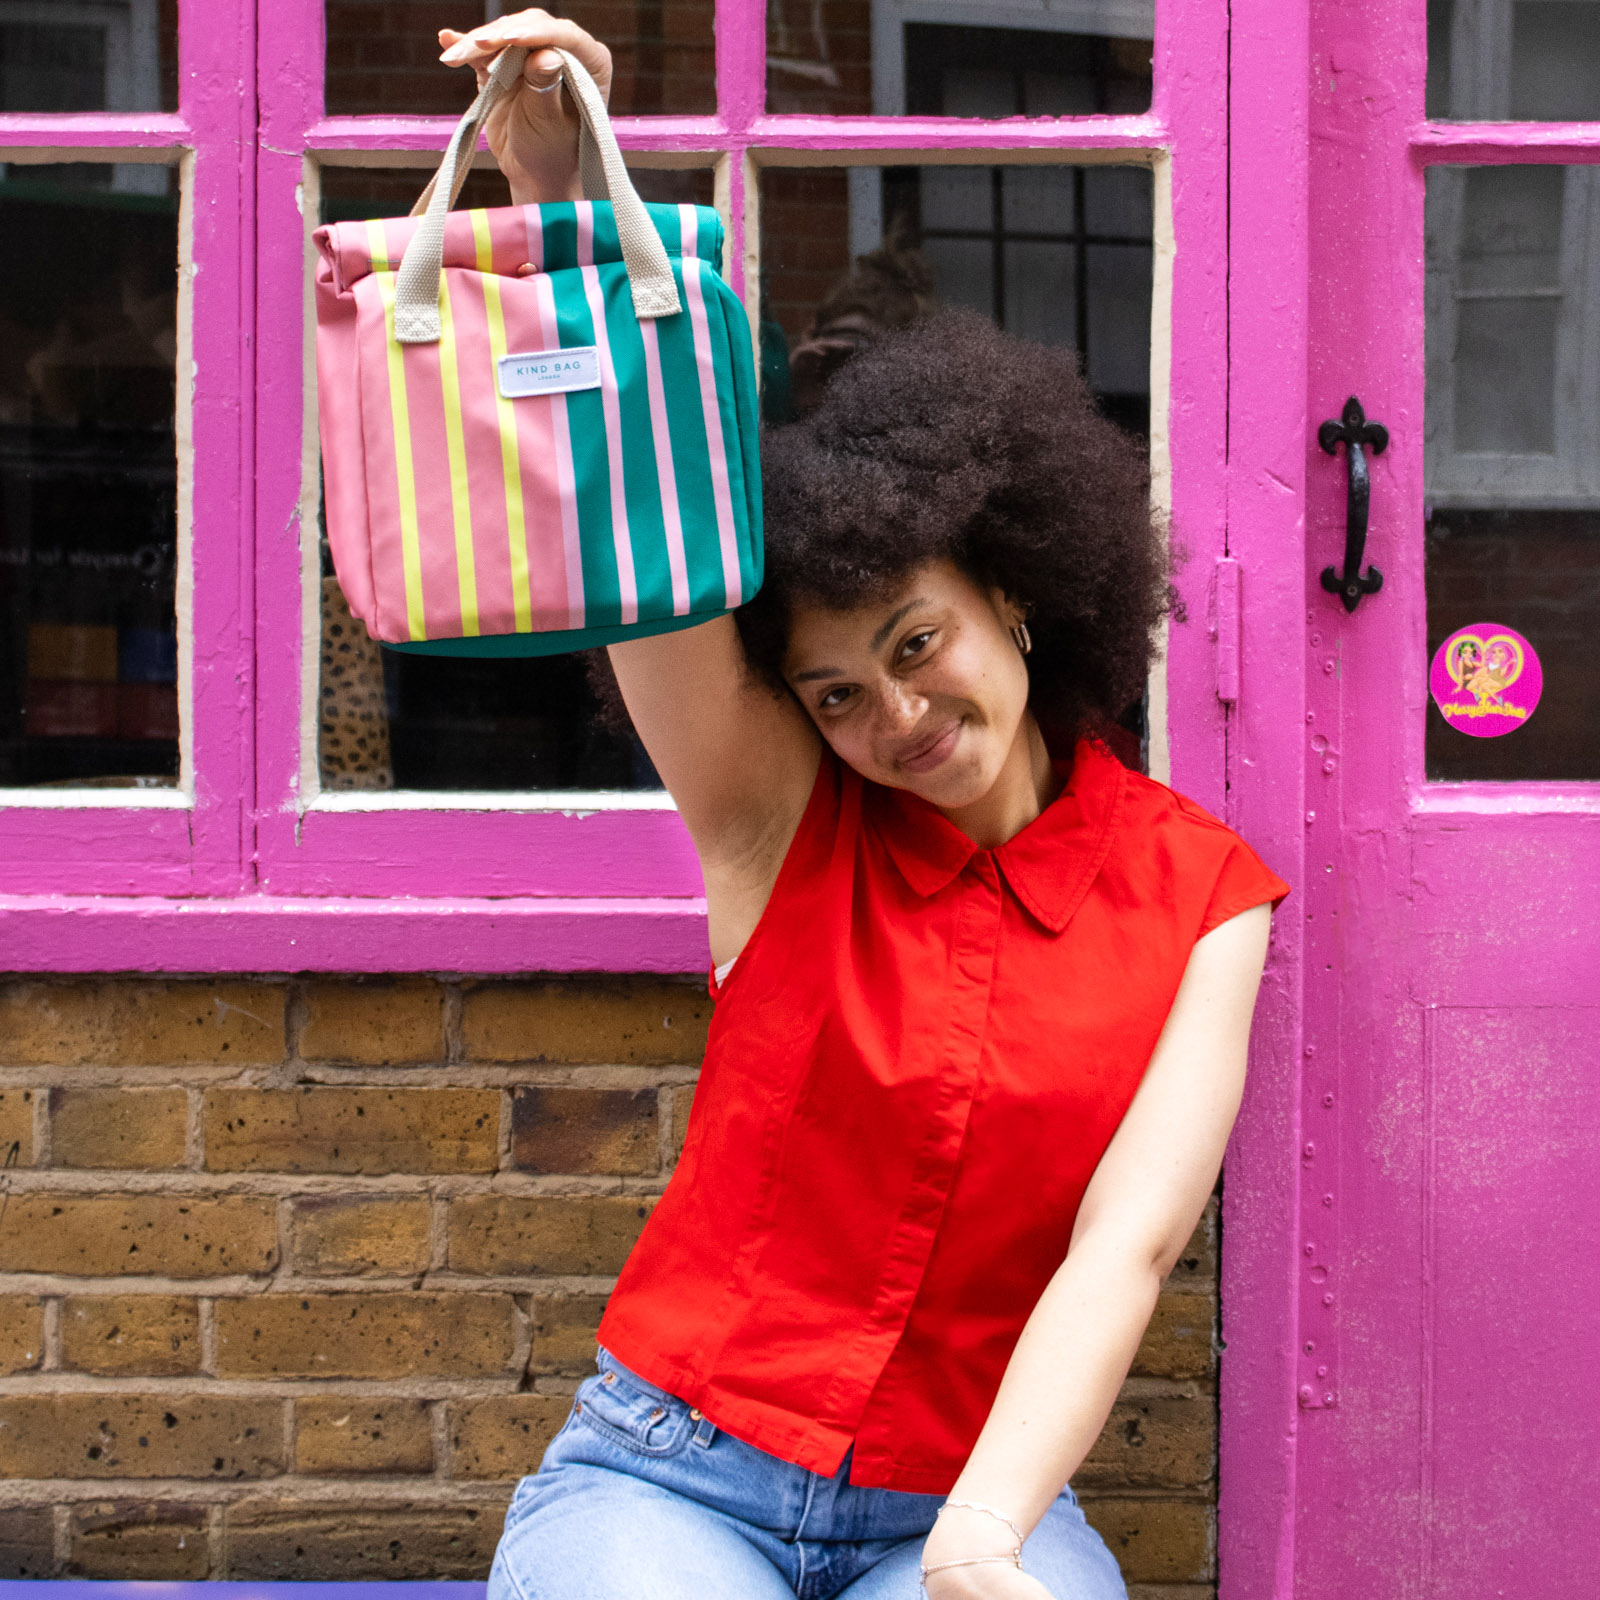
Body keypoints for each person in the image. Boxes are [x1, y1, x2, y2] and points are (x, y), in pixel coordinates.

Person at [438, 14, 1289, 1599]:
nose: (896, 720)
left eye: (918, 648)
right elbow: (638, 541)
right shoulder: (780, 820)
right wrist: (566, 190)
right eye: (837, 693)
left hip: (971, 1499)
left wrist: (979, 1532)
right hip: (669, 1480)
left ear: (1014, 598)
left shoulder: (1203, 897)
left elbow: (1130, 1244)